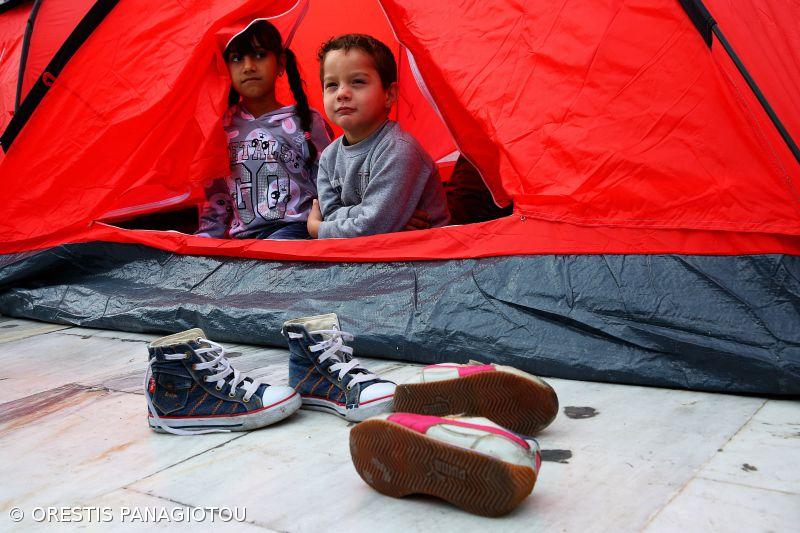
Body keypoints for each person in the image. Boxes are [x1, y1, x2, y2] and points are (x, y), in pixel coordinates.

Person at [196, 19, 331, 240]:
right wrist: (200, 243)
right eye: (237, 58)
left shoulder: (307, 121)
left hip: (296, 232)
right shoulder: (218, 129)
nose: (248, 66)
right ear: (225, 68)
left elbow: (329, 186)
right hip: (244, 240)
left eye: (259, 55)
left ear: (280, 63)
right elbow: (217, 200)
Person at [306, 34, 449, 239]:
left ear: (389, 94)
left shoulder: (399, 150)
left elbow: (369, 226)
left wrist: (317, 229)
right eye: (332, 85)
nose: (342, 93)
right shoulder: (328, 157)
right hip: (362, 251)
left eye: (357, 81)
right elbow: (330, 214)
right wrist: (376, 216)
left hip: (423, 251)